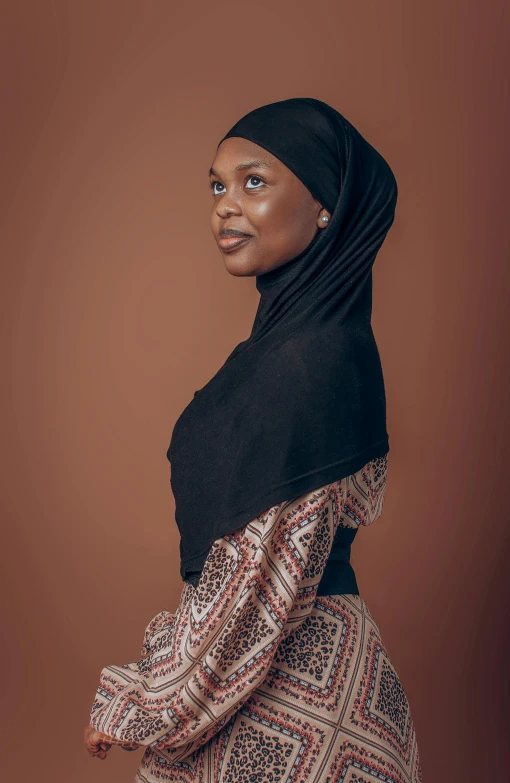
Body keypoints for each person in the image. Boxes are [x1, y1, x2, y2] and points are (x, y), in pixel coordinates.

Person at [85, 98, 423, 782]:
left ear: (326, 203)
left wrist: (143, 701)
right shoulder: (291, 350)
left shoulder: (312, 361)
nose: (225, 205)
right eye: (217, 185)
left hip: (294, 704)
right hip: (274, 689)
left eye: (254, 182)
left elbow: (257, 583)